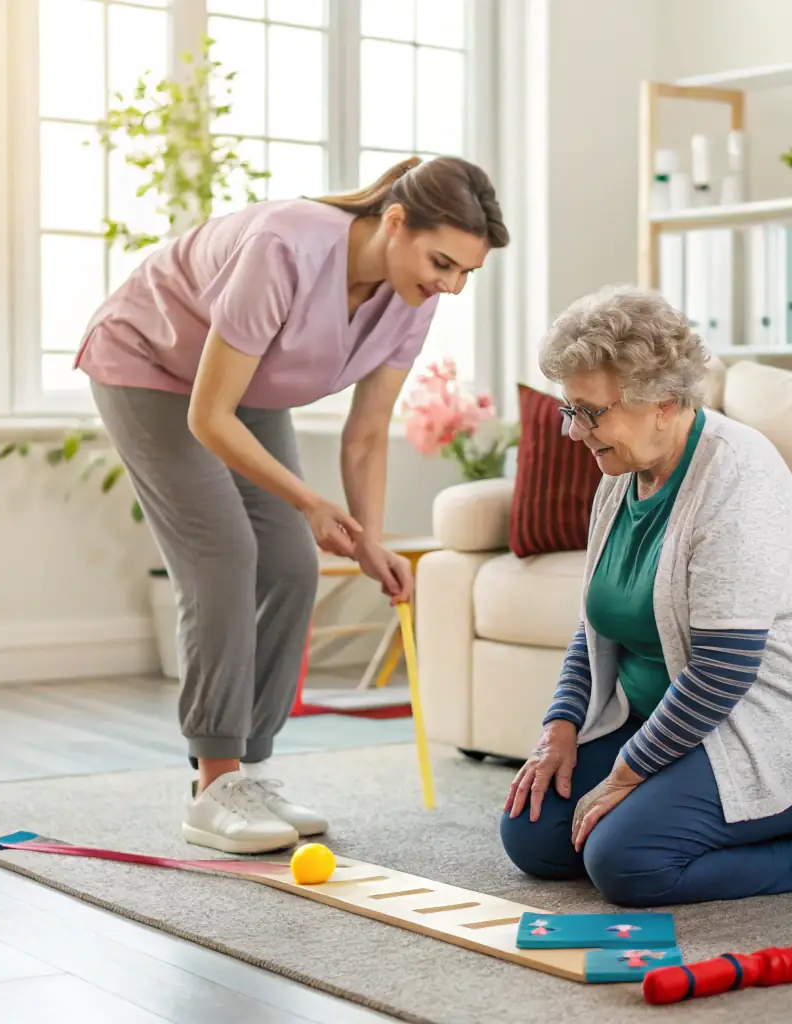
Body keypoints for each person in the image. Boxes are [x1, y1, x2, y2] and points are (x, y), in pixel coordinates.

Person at [74, 155, 509, 855]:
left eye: (465, 273)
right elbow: (208, 414)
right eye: (442, 262)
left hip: (246, 391)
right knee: (222, 557)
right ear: (394, 222)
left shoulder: (411, 300)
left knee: (289, 565)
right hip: (150, 369)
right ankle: (213, 786)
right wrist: (311, 502)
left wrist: (368, 542)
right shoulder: (284, 248)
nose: (450, 286)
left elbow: (367, 435)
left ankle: (253, 770)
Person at [498, 285, 792, 907]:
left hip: (772, 727)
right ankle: (693, 817)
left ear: (662, 401)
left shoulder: (736, 478)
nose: (572, 431)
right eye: (570, 409)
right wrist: (559, 728)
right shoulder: (618, 475)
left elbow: (724, 670)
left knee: (626, 863)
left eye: (588, 412)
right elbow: (596, 625)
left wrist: (624, 776)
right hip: (669, 726)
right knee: (533, 836)